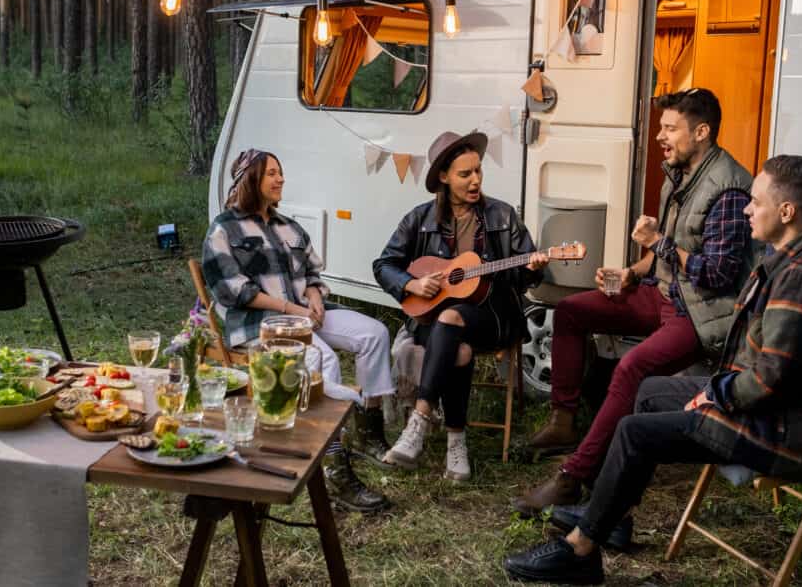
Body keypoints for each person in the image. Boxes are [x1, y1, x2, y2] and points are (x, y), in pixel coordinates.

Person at [503, 155, 802, 584]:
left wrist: (716, 394)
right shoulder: (799, 256)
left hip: (797, 431)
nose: (746, 209)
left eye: (756, 202)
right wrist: (720, 389)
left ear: (787, 212)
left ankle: (581, 549)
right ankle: (613, 517)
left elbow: (770, 379)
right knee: (646, 390)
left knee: (634, 432)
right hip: (785, 409)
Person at [515, 88, 754, 519]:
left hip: (700, 313)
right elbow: (666, 251)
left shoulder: (730, 190)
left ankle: (575, 477)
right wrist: (632, 272)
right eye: (661, 127)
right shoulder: (679, 174)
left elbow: (717, 275)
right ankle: (564, 422)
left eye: (670, 128)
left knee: (631, 368)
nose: (661, 136)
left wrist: (658, 243)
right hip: (663, 293)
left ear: (701, 132)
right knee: (570, 311)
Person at [203, 149, 394, 513]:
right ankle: (336, 473)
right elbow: (233, 289)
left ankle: (367, 434)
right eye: (272, 173)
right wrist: (293, 310)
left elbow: (311, 274)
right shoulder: (223, 230)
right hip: (258, 324)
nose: (280, 179)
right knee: (322, 359)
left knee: (375, 333)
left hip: (304, 312)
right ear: (250, 179)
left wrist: (314, 298)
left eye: (281, 173)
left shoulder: (288, 227)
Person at [373, 131, 549, 482]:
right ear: (443, 176)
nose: (475, 181)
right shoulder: (419, 219)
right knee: (460, 350)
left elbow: (522, 278)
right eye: (465, 174)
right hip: (434, 320)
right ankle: (456, 440)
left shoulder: (501, 216)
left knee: (453, 317)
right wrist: (412, 284)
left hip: (493, 316)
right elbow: (384, 265)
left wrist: (532, 269)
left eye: (478, 171)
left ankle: (419, 422)